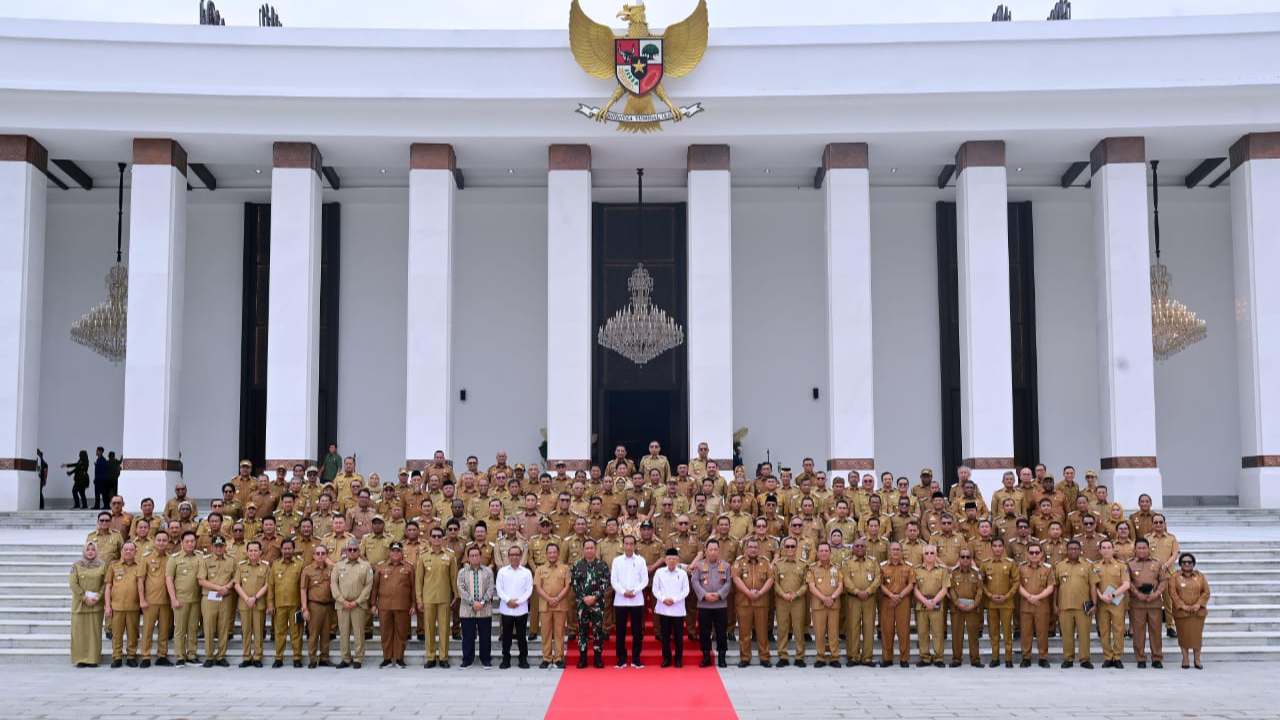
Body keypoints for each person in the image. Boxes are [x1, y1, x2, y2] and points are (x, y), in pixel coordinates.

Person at [416, 527, 458, 668]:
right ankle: (430, 656)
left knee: (444, 629)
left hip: (444, 597)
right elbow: (419, 580)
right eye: (434, 536)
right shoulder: (423, 556)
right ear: (430, 538)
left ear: (443, 538)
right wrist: (419, 599)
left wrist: (456, 595)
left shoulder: (450, 556)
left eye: (439, 536)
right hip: (428, 598)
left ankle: (444, 657)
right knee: (429, 629)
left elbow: (454, 577)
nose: (436, 538)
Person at [731, 537, 773, 667]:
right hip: (744, 602)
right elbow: (736, 578)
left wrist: (760, 593)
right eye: (751, 547)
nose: (753, 549)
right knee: (744, 632)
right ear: (746, 548)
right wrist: (748, 593)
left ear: (758, 549)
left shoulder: (765, 562)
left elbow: (770, 579)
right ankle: (745, 658)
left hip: (761, 602)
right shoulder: (739, 562)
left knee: (762, 631)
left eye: (755, 547)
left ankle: (764, 657)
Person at [1054, 539, 1097, 669]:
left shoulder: (1088, 566)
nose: (1073, 551)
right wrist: (1054, 605)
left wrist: (1094, 603)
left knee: (1084, 635)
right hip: (1064, 606)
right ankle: (1068, 658)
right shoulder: (1059, 566)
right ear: (1067, 550)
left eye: (1076, 549)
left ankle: (1084, 659)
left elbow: (1093, 586)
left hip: (1083, 607)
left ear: (1080, 550)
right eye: (1071, 548)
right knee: (1067, 635)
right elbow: (1055, 587)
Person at [331, 539, 374, 669]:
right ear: (346, 551)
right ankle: (345, 658)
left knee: (359, 632)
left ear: (359, 551)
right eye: (350, 550)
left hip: (358, 605)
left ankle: (358, 658)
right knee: (343, 633)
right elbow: (333, 584)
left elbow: (368, 586)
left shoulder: (366, 566)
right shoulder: (338, 566)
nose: (352, 552)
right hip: (342, 605)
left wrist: (357, 601)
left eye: (355, 550)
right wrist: (342, 601)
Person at [691, 537, 732, 668]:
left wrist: (719, 595)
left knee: (721, 632)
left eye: (715, 549)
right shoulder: (699, 565)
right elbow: (695, 581)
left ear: (718, 551)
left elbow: (728, 583)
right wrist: (704, 595)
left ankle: (721, 657)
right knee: (704, 632)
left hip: (720, 605)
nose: (713, 552)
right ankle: (706, 657)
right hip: (704, 605)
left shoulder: (725, 566)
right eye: (710, 549)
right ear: (706, 551)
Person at [197, 535, 236, 667]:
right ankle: (209, 656)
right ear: (212, 547)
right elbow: (201, 580)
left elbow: (236, 577)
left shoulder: (231, 560)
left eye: (221, 546)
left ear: (225, 546)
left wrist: (227, 587)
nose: (219, 548)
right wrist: (219, 588)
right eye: (216, 546)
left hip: (225, 598)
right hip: (209, 598)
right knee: (208, 628)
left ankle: (221, 656)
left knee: (223, 627)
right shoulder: (205, 560)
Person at [1127, 538, 1168, 668]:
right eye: (1139, 548)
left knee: (1155, 631)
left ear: (1148, 548)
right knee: (1138, 632)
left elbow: (1163, 580)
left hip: (1154, 602)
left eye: (1144, 548)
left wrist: (1156, 594)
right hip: (1137, 603)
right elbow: (1127, 582)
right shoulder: (1129, 564)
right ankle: (1140, 658)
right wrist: (1137, 594)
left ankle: (1157, 658)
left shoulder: (1157, 563)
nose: (1142, 550)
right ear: (1135, 549)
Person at [611, 534, 650, 667]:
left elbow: (645, 580)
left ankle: (636, 658)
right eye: (626, 544)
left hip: (636, 600)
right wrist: (623, 592)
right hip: (620, 600)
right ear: (623, 545)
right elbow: (614, 580)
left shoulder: (641, 560)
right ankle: (621, 658)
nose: (628, 546)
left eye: (631, 544)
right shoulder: (616, 561)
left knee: (637, 632)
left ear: (635, 545)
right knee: (620, 631)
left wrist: (634, 591)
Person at [840, 537, 880, 667]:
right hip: (853, 598)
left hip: (869, 598)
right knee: (853, 627)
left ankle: (867, 657)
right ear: (853, 548)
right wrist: (857, 591)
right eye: (857, 546)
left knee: (869, 627)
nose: (860, 548)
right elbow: (845, 579)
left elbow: (878, 578)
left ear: (866, 548)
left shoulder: (873, 562)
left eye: (862, 546)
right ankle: (853, 656)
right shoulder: (846, 562)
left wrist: (868, 591)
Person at [164, 531, 202, 665]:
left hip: (196, 599)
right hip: (180, 599)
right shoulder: (174, 558)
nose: (190, 544)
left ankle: (192, 654)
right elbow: (169, 579)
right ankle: (180, 656)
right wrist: (173, 598)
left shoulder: (200, 557)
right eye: (187, 541)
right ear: (182, 543)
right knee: (180, 629)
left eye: (192, 541)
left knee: (193, 628)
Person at [571, 539, 610, 668]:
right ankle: (583, 659)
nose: (589, 550)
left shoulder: (602, 565)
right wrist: (584, 598)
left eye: (591, 548)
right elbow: (574, 584)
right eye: (586, 548)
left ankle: (598, 659)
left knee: (597, 631)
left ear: (595, 549)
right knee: (582, 631)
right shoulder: (577, 565)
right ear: (583, 550)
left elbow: (606, 583)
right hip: (582, 604)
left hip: (597, 604)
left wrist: (595, 597)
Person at [104, 540, 143, 667]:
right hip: (117, 606)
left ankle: (132, 656)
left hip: (133, 606)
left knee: (133, 633)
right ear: (121, 551)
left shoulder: (140, 566)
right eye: (125, 549)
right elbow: (108, 586)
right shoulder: (113, 565)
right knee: (116, 634)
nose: (128, 552)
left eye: (131, 550)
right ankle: (117, 657)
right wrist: (108, 605)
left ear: (135, 552)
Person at [1093, 539, 1130, 668]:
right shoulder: (1096, 566)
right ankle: (1108, 657)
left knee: (1118, 630)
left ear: (1114, 549)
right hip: (1102, 602)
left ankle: (1117, 656)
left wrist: (1113, 595)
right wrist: (1101, 596)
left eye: (1109, 547)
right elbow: (1094, 585)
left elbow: (1126, 584)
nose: (1106, 550)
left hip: (1117, 602)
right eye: (1103, 547)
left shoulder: (1121, 565)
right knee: (1104, 630)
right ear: (1100, 550)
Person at [772, 536, 808, 667]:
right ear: (783, 548)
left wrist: (797, 594)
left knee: (799, 629)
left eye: (793, 546)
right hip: (782, 600)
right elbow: (774, 582)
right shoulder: (778, 564)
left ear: (797, 548)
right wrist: (783, 594)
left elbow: (806, 583)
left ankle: (799, 656)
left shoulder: (803, 564)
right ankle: (783, 655)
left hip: (798, 601)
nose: (790, 549)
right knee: (782, 628)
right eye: (787, 546)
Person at [69, 541, 107, 667]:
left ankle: (93, 659)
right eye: (88, 549)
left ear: (96, 551)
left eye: (93, 549)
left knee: (94, 633)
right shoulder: (77, 565)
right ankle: (80, 659)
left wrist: (99, 596)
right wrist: (84, 598)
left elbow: (105, 583)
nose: (90, 552)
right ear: (84, 551)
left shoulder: (102, 565)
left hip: (96, 604)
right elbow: (73, 584)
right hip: (80, 604)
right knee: (79, 633)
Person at [456, 545, 495, 668]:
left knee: (485, 637)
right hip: (467, 610)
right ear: (468, 558)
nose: (474, 557)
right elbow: (460, 588)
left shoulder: (488, 571)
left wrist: (482, 602)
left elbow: (490, 588)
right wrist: (473, 603)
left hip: (484, 609)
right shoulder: (462, 572)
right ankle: (467, 659)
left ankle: (486, 659)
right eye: (471, 555)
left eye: (476, 555)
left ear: (480, 556)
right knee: (468, 636)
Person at [269, 538, 305, 667]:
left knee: (296, 632)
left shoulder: (300, 565)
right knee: (280, 632)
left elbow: (303, 586)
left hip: (296, 605)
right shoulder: (275, 565)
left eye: (289, 548)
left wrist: (303, 606)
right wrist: (270, 604)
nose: (287, 551)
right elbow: (271, 586)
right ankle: (279, 657)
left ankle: (297, 657)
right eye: (285, 549)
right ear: (281, 550)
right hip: (280, 605)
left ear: (293, 550)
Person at [139, 529, 173, 667]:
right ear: (154, 541)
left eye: (164, 540)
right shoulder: (146, 558)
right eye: (159, 540)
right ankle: (145, 656)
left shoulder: (171, 559)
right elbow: (140, 580)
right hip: (150, 601)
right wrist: (142, 599)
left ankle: (162, 655)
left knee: (164, 630)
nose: (161, 543)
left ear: (168, 542)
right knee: (147, 630)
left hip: (165, 601)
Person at [234, 540, 270, 668]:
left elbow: (267, 584)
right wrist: (246, 598)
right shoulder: (241, 566)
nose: (253, 553)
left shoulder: (266, 566)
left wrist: (254, 597)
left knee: (258, 631)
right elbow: (237, 584)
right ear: (247, 552)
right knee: (246, 631)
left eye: (256, 550)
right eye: (251, 550)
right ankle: (246, 656)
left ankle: (257, 656)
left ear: (260, 552)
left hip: (258, 603)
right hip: (244, 603)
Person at [1017, 543, 1055, 667]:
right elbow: (1018, 585)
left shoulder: (1048, 568)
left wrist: (1037, 597)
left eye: (1037, 552)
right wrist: (1029, 597)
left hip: (1041, 605)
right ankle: (1026, 657)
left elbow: (1050, 586)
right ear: (1027, 554)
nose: (1034, 555)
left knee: (1042, 633)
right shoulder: (1021, 568)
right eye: (1031, 552)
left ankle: (1043, 657)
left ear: (1042, 554)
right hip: (1025, 605)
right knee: (1026, 633)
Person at [1171, 552, 1210, 669]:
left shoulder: (1200, 576)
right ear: (1180, 564)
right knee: (1183, 635)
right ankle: (1185, 659)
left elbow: (1206, 592)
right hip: (1182, 612)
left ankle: (1197, 659)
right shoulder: (1175, 577)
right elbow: (1173, 593)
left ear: (1193, 564)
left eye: (1189, 562)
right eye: (1184, 562)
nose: (1187, 564)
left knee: (1197, 636)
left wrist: (1198, 604)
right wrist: (1183, 606)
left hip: (1197, 612)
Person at [496, 545, 533, 669]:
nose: (514, 557)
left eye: (517, 554)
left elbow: (529, 589)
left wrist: (519, 601)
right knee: (506, 636)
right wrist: (508, 600)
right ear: (508, 556)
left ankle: (523, 659)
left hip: (521, 609)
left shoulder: (526, 572)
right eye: (512, 555)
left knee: (522, 636)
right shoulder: (502, 571)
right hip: (506, 609)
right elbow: (499, 589)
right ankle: (506, 658)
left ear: (521, 556)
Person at [912, 545, 949, 667]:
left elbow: (944, 588)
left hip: (937, 604)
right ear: (923, 555)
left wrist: (933, 602)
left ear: (936, 555)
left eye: (932, 553)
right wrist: (925, 601)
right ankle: (925, 657)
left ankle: (938, 657)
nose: (929, 555)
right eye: (926, 553)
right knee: (922, 632)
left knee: (937, 632)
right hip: (921, 604)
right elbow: (915, 589)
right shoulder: (916, 570)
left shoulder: (943, 570)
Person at [879, 541, 914, 667]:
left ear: (901, 551)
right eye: (893, 550)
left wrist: (899, 596)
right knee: (887, 630)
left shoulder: (908, 567)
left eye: (898, 550)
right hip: (887, 600)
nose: (895, 552)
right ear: (889, 551)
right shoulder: (882, 566)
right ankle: (887, 658)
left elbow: (911, 584)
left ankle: (904, 658)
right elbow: (880, 584)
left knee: (903, 630)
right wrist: (891, 595)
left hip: (903, 600)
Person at [652, 548, 690, 667]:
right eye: (669, 559)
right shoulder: (659, 572)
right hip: (664, 609)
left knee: (679, 636)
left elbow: (686, 590)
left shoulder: (682, 573)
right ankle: (667, 658)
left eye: (674, 558)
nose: (672, 561)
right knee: (665, 636)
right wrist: (663, 599)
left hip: (678, 609)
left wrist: (674, 600)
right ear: (665, 560)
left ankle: (678, 659)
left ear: (678, 560)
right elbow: (655, 589)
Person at [535, 542, 570, 668]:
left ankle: (559, 657)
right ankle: (547, 658)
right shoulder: (540, 569)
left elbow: (567, 586)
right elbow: (538, 587)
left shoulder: (565, 568)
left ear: (558, 553)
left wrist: (557, 598)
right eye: (549, 552)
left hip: (561, 605)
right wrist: (549, 599)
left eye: (554, 552)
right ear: (546, 554)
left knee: (559, 632)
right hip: (545, 605)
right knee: (546, 632)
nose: (552, 555)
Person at [300, 545, 336, 668]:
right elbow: (303, 589)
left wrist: (329, 562)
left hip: (329, 605)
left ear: (326, 555)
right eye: (318, 553)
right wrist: (304, 608)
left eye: (323, 553)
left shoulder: (331, 569)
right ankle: (312, 659)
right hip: (314, 605)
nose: (320, 556)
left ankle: (324, 658)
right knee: (314, 634)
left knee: (326, 633)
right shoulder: (307, 570)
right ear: (314, 555)